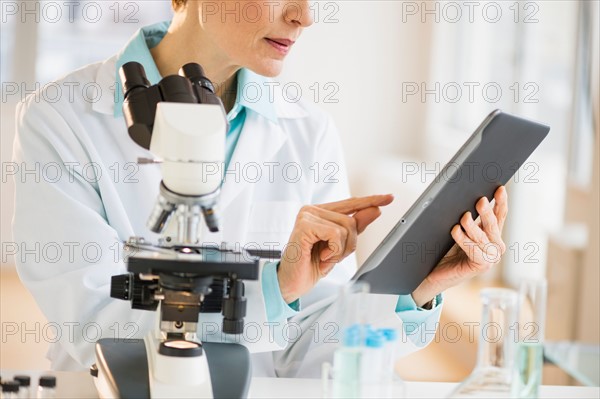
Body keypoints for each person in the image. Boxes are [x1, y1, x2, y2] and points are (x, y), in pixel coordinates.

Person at [12, 0, 508, 377]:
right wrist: (271, 291)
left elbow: (314, 349)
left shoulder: (307, 130)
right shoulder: (62, 119)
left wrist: (420, 286)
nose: (304, 16)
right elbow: (94, 324)